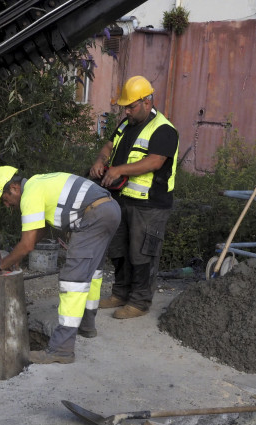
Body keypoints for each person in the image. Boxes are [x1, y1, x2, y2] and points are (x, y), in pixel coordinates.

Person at [0, 166, 121, 364]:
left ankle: (61, 349)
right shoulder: (39, 183)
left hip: (93, 216)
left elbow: (26, 244)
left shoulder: (30, 195)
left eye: (5, 200)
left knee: (72, 280)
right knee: (92, 271)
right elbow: (39, 231)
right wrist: (18, 256)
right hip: (109, 209)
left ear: (14, 188)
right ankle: (87, 326)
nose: (8, 206)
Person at [89, 75, 179, 319]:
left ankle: (139, 302)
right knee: (118, 249)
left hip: (150, 205)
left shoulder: (163, 129)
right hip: (121, 199)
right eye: (125, 107)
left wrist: (119, 170)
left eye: (131, 106)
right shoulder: (125, 124)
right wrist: (101, 161)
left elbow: (155, 161)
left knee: (142, 254)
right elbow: (109, 146)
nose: (126, 111)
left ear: (147, 102)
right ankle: (120, 293)